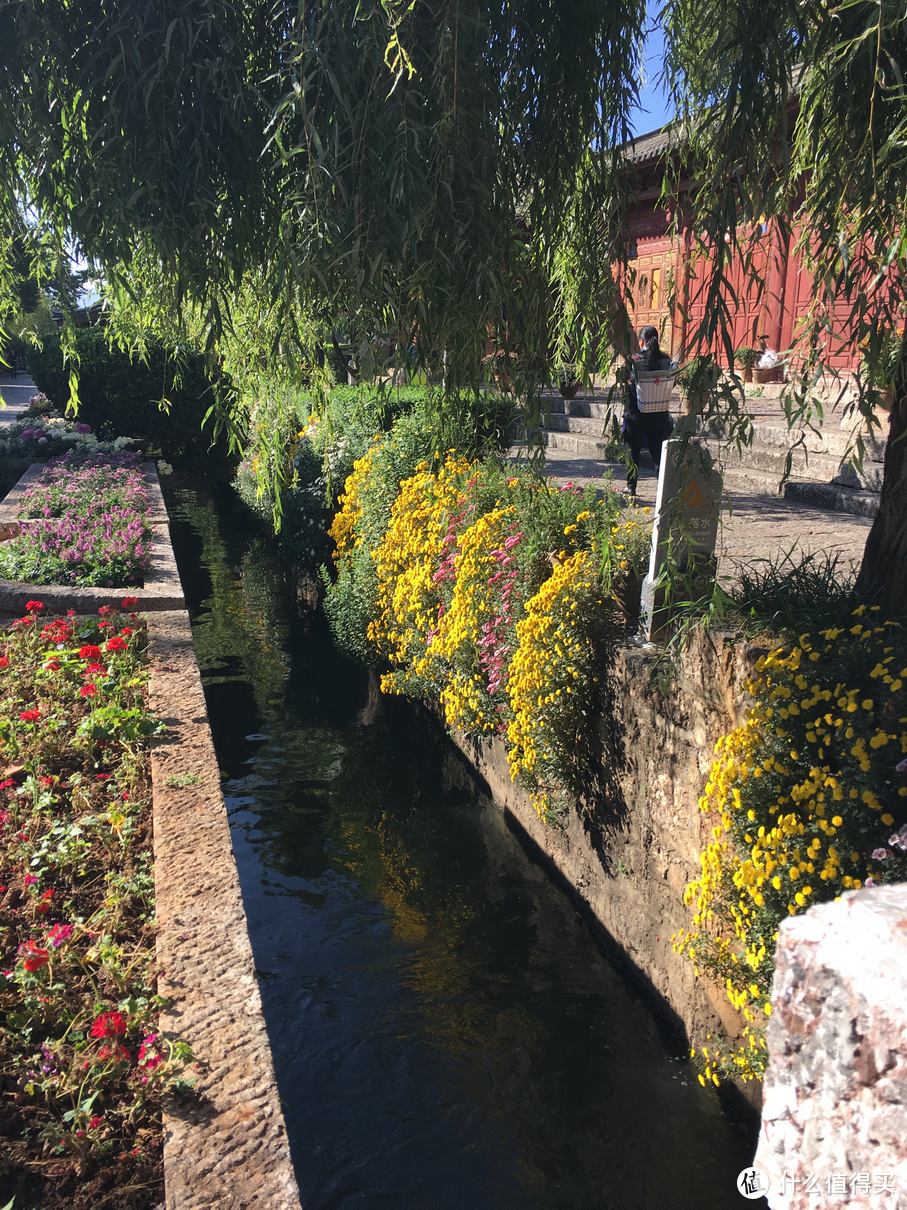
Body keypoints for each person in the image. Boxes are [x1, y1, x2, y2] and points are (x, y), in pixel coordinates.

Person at [623, 325, 676, 497]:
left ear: (641, 341)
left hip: (636, 413)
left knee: (633, 450)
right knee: (658, 453)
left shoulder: (633, 360)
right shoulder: (666, 361)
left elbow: (625, 378)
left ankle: (631, 486)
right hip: (658, 413)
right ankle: (665, 488)